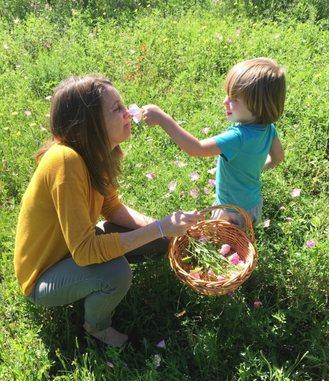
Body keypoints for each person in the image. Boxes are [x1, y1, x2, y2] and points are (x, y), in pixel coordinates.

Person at [14, 75, 202, 347]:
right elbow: (86, 251)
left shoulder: (98, 152)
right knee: (115, 273)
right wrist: (159, 227)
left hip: (72, 249)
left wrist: (165, 230)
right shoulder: (65, 162)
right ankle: (97, 328)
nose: (128, 113)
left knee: (156, 239)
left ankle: (99, 283)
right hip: (44, 276)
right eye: (116, 109)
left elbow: (112, 208)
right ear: (89, 124)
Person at [142, 57, 286, 226]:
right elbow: (278, 158)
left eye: (234, 99)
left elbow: (196, 148)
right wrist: (252, 168)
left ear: (257, 106)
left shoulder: (237, 137)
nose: (225, 101)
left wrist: (163, 119)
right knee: (242, 242)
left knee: (222, 246)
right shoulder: (269, 128)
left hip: (230, 212)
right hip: (253, 205)